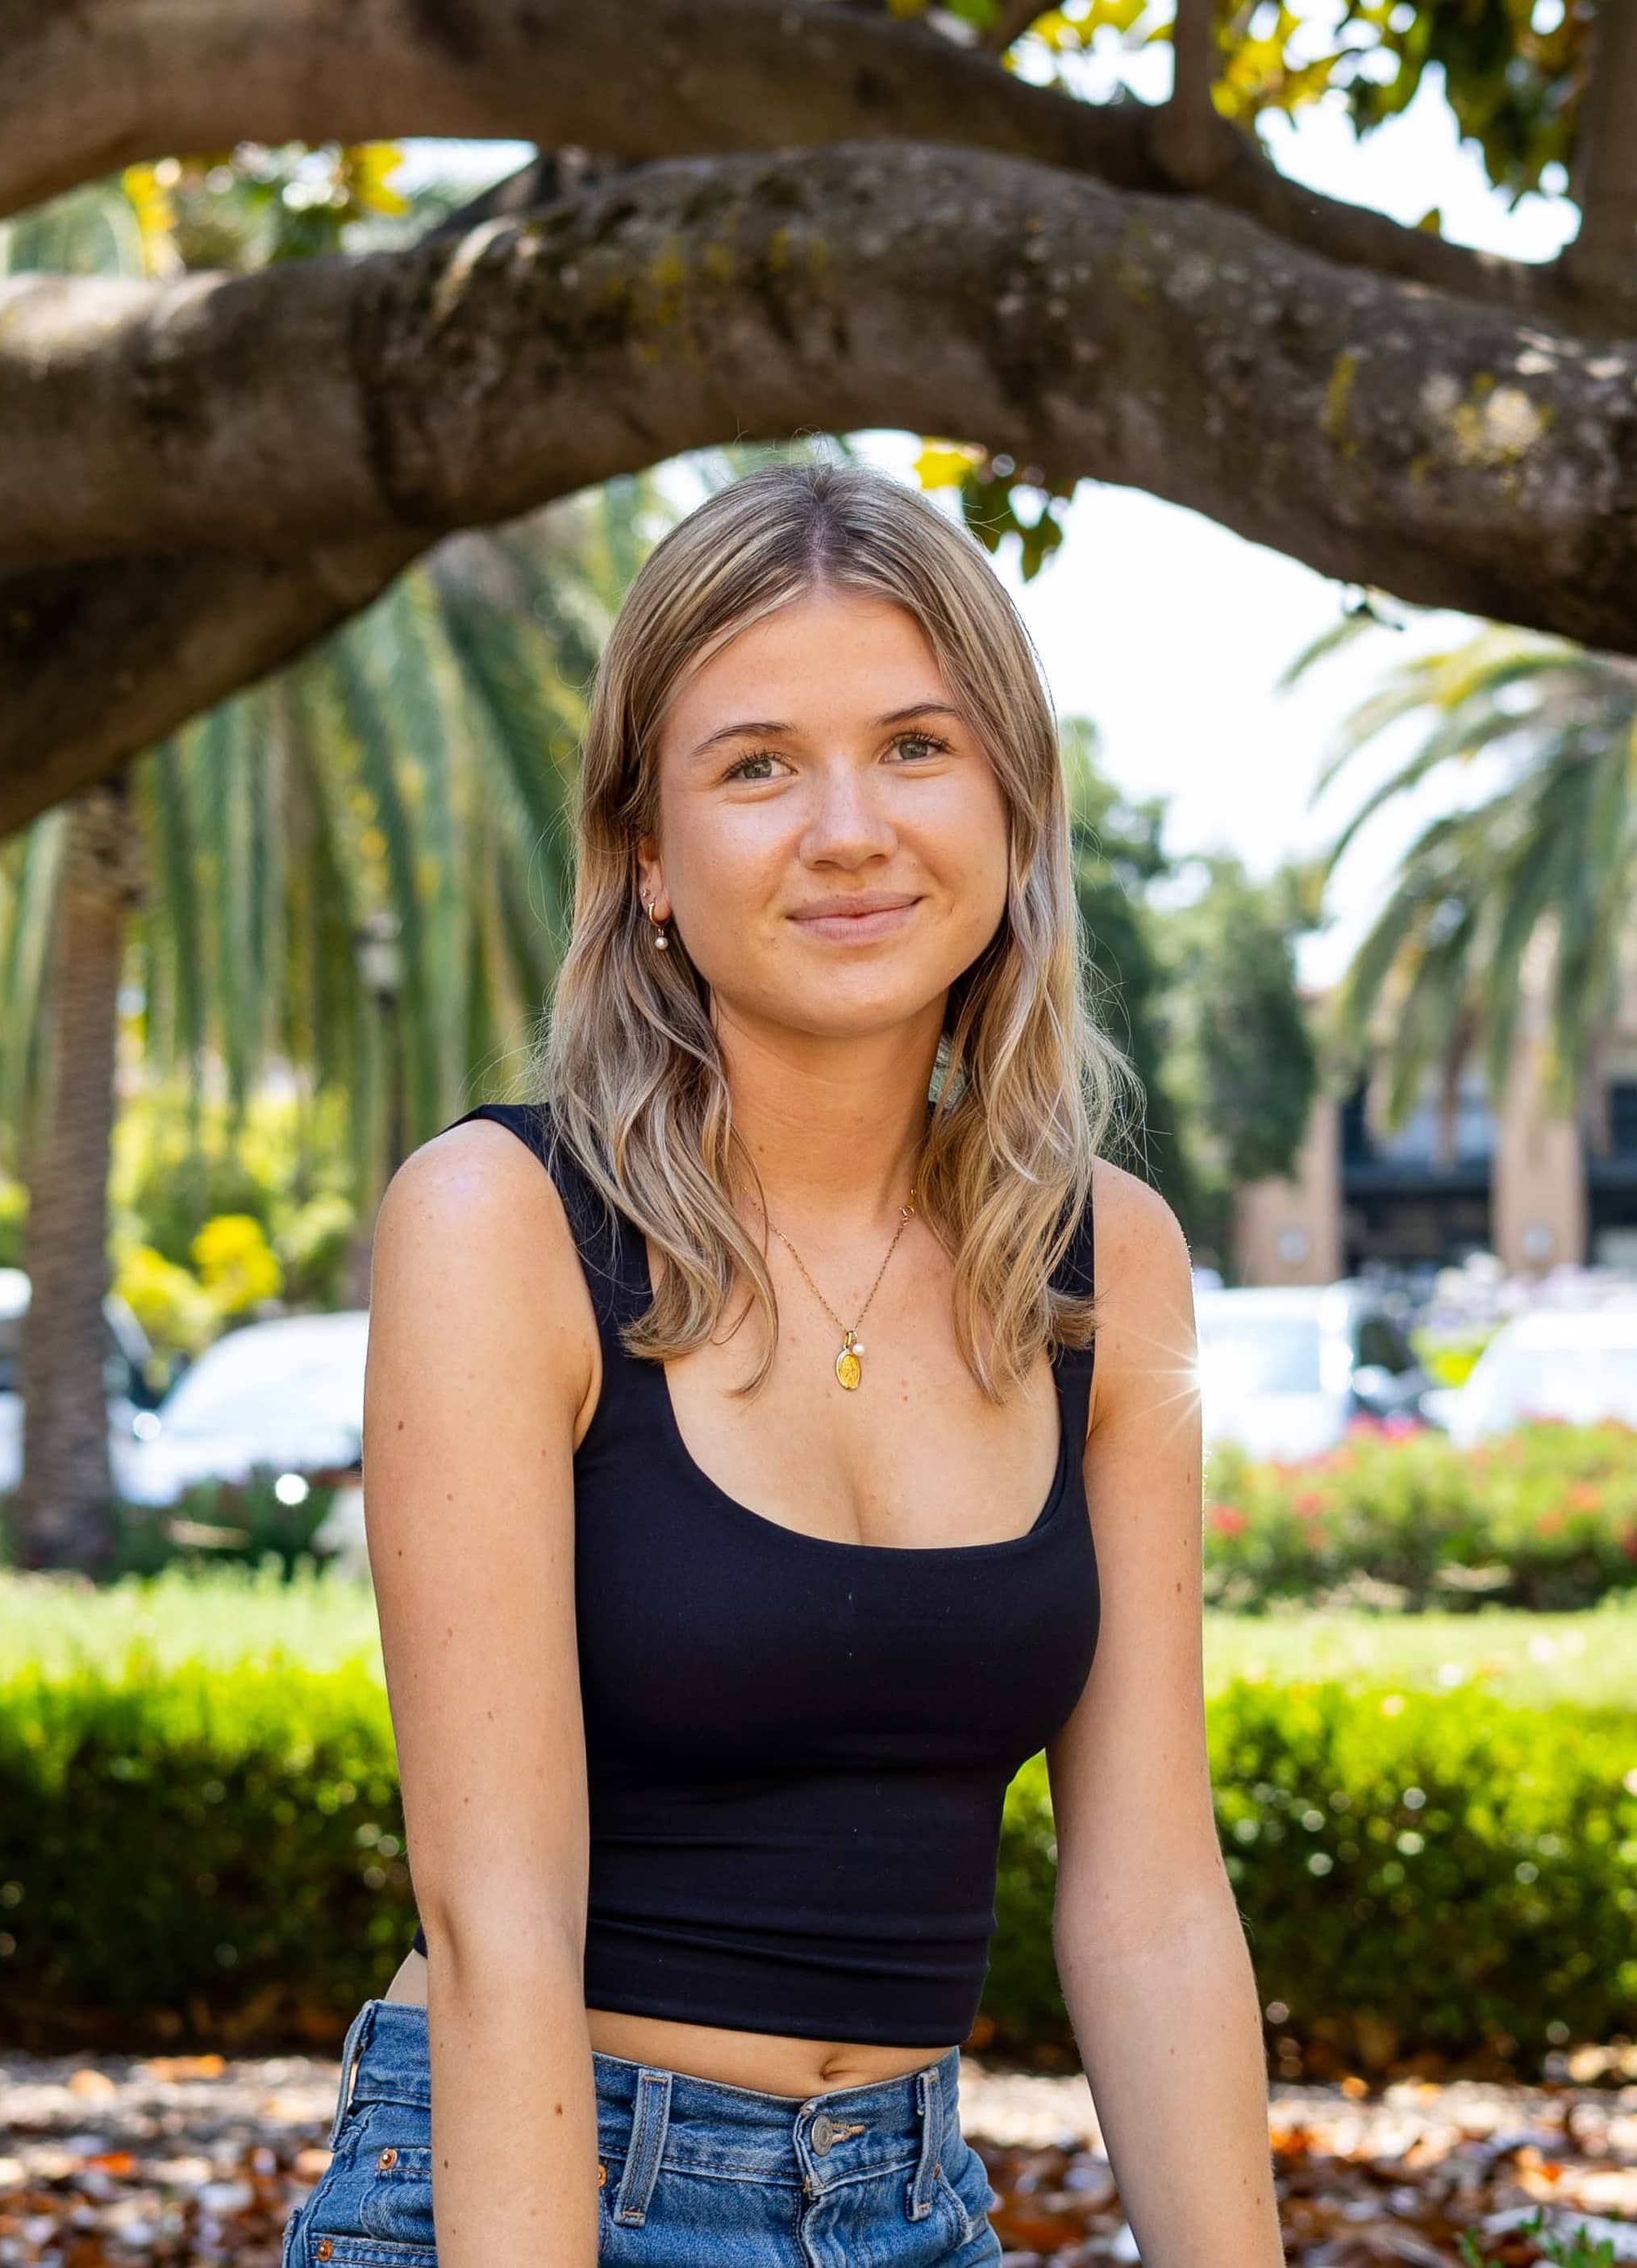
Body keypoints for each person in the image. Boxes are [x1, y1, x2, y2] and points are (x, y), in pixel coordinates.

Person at [280, 459, 1285, 2268]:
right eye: (756, 764)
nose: (847, 828)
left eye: (917, 744)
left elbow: (1149, 1897)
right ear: (647, 855)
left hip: (917, 2203)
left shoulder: (1106, 1260)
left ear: (1013, 803)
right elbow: (497, 1917)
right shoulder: (501, 1226)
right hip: (534, 2183)